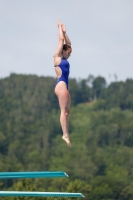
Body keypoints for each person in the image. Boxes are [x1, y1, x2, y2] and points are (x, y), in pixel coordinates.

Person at [54, 20, 72, 147]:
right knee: (63, 112)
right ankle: (65, 134)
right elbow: (61, 41)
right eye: (68, 52)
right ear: (63, 51)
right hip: (61, 86)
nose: (70, 55)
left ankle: (65, 134)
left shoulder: (64, 56)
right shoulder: (57, 57)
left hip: (63, 86)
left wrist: (66, 33)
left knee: (67, 112)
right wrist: (60, 28)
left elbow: (68, 43)